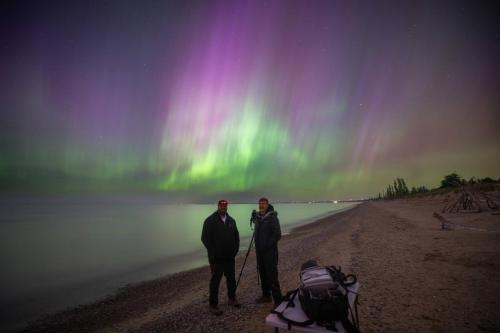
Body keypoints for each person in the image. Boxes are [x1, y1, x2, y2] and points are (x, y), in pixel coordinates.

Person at [201, 199, 241, 315]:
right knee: (215, 281)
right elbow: (205, 238)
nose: (223, 207)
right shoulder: (210, 221)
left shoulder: (231, 220)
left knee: (231, 279)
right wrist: (213, 253)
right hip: (216, 258)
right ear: (218, 206)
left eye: (225, 205)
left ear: (227, 206)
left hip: (229, 257)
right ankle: (213, 305)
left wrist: (235, 250)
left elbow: (236, 237)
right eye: (221, 205)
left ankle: (232, 299)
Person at [254, 197, 283, 307]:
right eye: (260, 203)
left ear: (268, 205)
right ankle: (266, 296)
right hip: (259, 252)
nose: (261, 205)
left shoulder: (272, 217)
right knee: (263, 274)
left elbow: (277, 235)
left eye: (263, 204)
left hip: (270, 253)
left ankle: (278, 301)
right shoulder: (258, 217)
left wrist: (267, 245)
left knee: (272, 276)